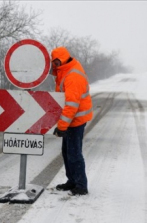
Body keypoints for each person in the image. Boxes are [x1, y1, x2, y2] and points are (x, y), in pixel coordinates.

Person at [51, 46, 93, 196]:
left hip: (76, 119)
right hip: (71, 119)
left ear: (60, 61)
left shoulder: (72, 76)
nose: (53, 66)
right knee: (67, 151)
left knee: (74, 153)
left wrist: (62, 126)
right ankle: (72, 181)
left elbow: (71, 105)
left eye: (54, 63)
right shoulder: (65, 71)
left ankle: (81, 185)